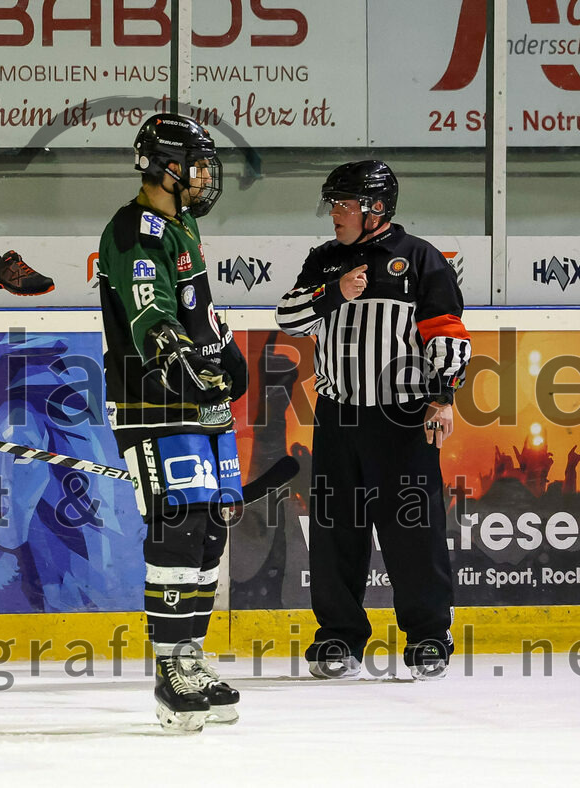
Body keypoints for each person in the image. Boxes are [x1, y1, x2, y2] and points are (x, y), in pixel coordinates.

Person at [276, 160, 472, 681]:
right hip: (338, 416)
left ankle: (429, 635)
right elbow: (289, 317)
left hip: (403, 418)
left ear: (375, 208)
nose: (334, 213)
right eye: (333, 203)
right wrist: (334, 291)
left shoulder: (420, 259)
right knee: (336, 531)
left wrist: (443, 398)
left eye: (343, 203)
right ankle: (338, 636)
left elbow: (448, 334)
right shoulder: (324, 261)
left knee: (413, 529)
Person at [97, 114, 249, 732]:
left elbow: (194, 309)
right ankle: (168, 669)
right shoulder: (134, 227)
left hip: (198, 400)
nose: (206, 175)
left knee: (212, 524)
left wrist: (223, 346)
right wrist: (173, 352)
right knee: (178, 526)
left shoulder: (181, 225)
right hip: (151, 400)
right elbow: (150, 310)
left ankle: (191, 653)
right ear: (166, 166)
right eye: (197, 162)